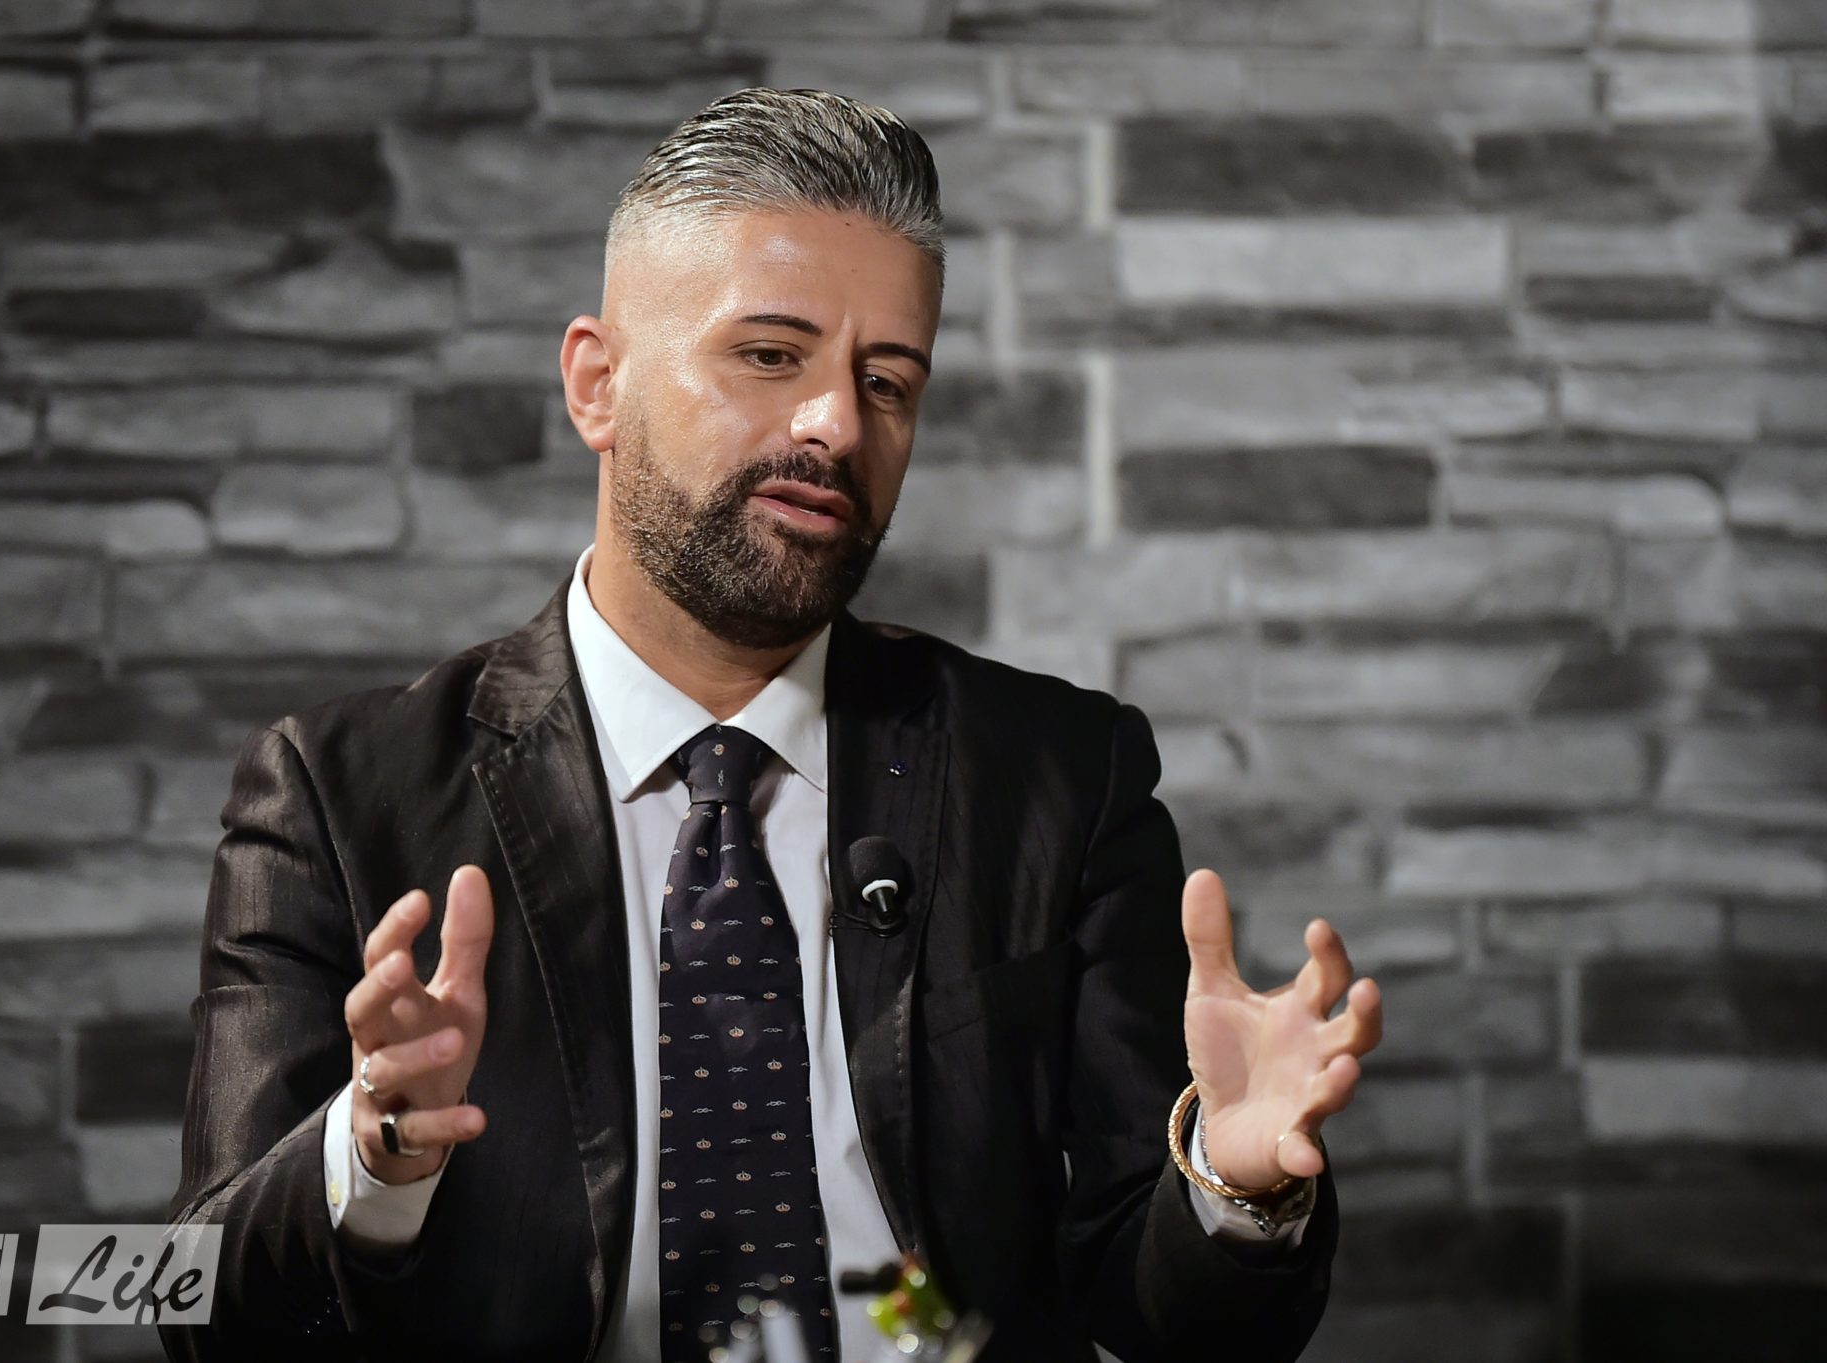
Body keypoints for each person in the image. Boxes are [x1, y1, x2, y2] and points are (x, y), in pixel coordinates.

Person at [161, 87, 1384, 1363]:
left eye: (885, 380)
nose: (836, 424)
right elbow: (187, 1299)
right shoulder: (333, 796)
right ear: (596, 384)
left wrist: (1233, 1183)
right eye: (768, 355)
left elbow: (1173, 1315)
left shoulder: (1058, 775)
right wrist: (367, 1162)